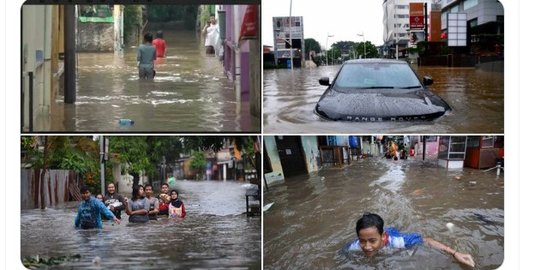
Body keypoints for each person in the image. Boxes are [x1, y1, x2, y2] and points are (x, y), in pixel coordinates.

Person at [345, 213, 475, 267]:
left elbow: (427, 240)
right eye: (362, 241)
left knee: (397, 228)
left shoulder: (397, 242)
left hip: (393, 233)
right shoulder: (354, 246)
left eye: (372, 241)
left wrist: (454, 253)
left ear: (383, 237)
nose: (367, 246)